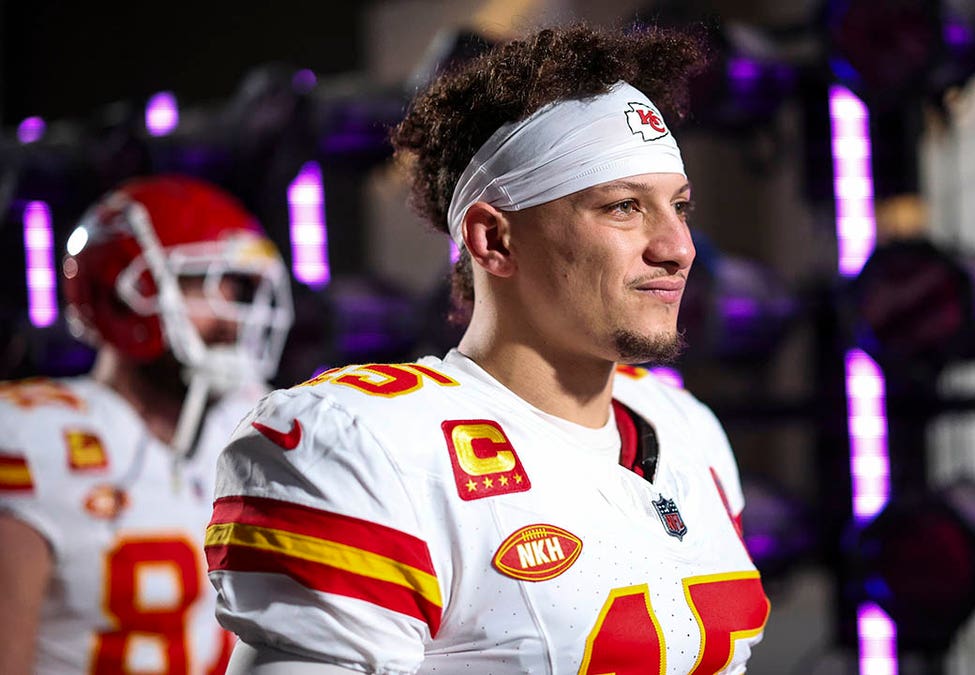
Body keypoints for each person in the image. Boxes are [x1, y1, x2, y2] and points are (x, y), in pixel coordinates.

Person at [209, 24, 770, 674]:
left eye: (679, 207)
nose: (677, 247)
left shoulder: (687, 428)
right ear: (493, 239)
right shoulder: (367, 447)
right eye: (623, 207)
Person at [0, 175, 294, 674]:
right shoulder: (31, 437)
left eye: (235, 287)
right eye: (200, 284)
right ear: (122, 297)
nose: (231, 316)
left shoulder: (254, 424)